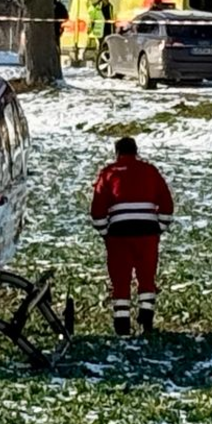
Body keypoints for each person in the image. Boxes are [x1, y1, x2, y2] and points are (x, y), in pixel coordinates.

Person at [90, 137, 174, 336]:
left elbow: (97, 209)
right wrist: (159, 228)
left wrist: (105, 233)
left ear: (117, 152)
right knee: (146, 277)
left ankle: (122, 325)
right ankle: (146, 318)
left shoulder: (108, 173)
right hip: (147, 232)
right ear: (136, 151)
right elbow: (166, 202)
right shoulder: (150, 171)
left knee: (120, 279)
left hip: (119, 233)